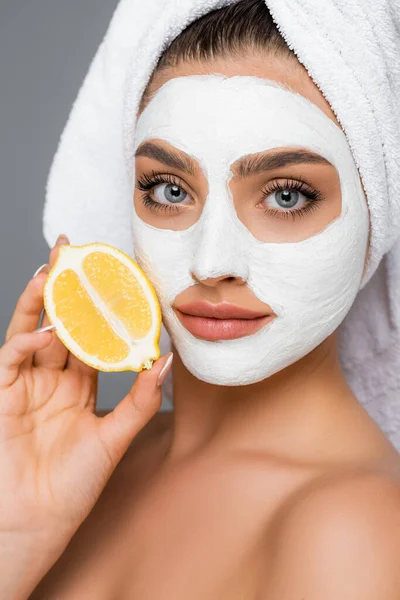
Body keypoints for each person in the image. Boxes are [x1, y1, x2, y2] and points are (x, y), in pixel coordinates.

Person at [1, 1, 400, 598]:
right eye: (168, 189)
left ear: (378, 210)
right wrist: (15, 534)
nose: (211, 263)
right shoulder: (80, 464)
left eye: (287, 196)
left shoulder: (356, 533)